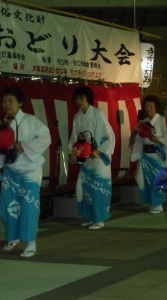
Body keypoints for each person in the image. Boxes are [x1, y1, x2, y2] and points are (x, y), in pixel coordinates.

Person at [0, 85, 51, 258]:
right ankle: (12, 238)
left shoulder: (31, 120)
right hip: (10, 170)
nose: (7, 104)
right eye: (4, 101)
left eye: (10, 101)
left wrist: (24, 147)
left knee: (29, 206)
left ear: (20, 103)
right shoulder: (2, 123)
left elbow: (46, 137)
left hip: (29, 170)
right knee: (7, 205)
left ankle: (31, 242)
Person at [68, 85, 115, 230]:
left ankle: (99, 219)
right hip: (86, 158)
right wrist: (73, 153)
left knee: (98, 188)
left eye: (82, 98)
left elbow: (108, 135)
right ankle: (89, 217)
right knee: (83, 187)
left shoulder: (98, 113)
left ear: (88, 99)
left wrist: (99, 151)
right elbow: (75, 138)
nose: (79, 101)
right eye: (77, 99)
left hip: (99, 158)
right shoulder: (77, 117)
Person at [130, 94, 167, 214]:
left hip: (159, 155)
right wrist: (134, 134)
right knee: (145, 180)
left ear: (156, 107)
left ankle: (158, 204)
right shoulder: (143, 123)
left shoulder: (163, 121)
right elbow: (137, 142)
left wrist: (158, 139)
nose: (148, 108)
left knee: (158, 180)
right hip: (146, 156)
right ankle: (152, 203)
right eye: (146, 106)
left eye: (151, 106)